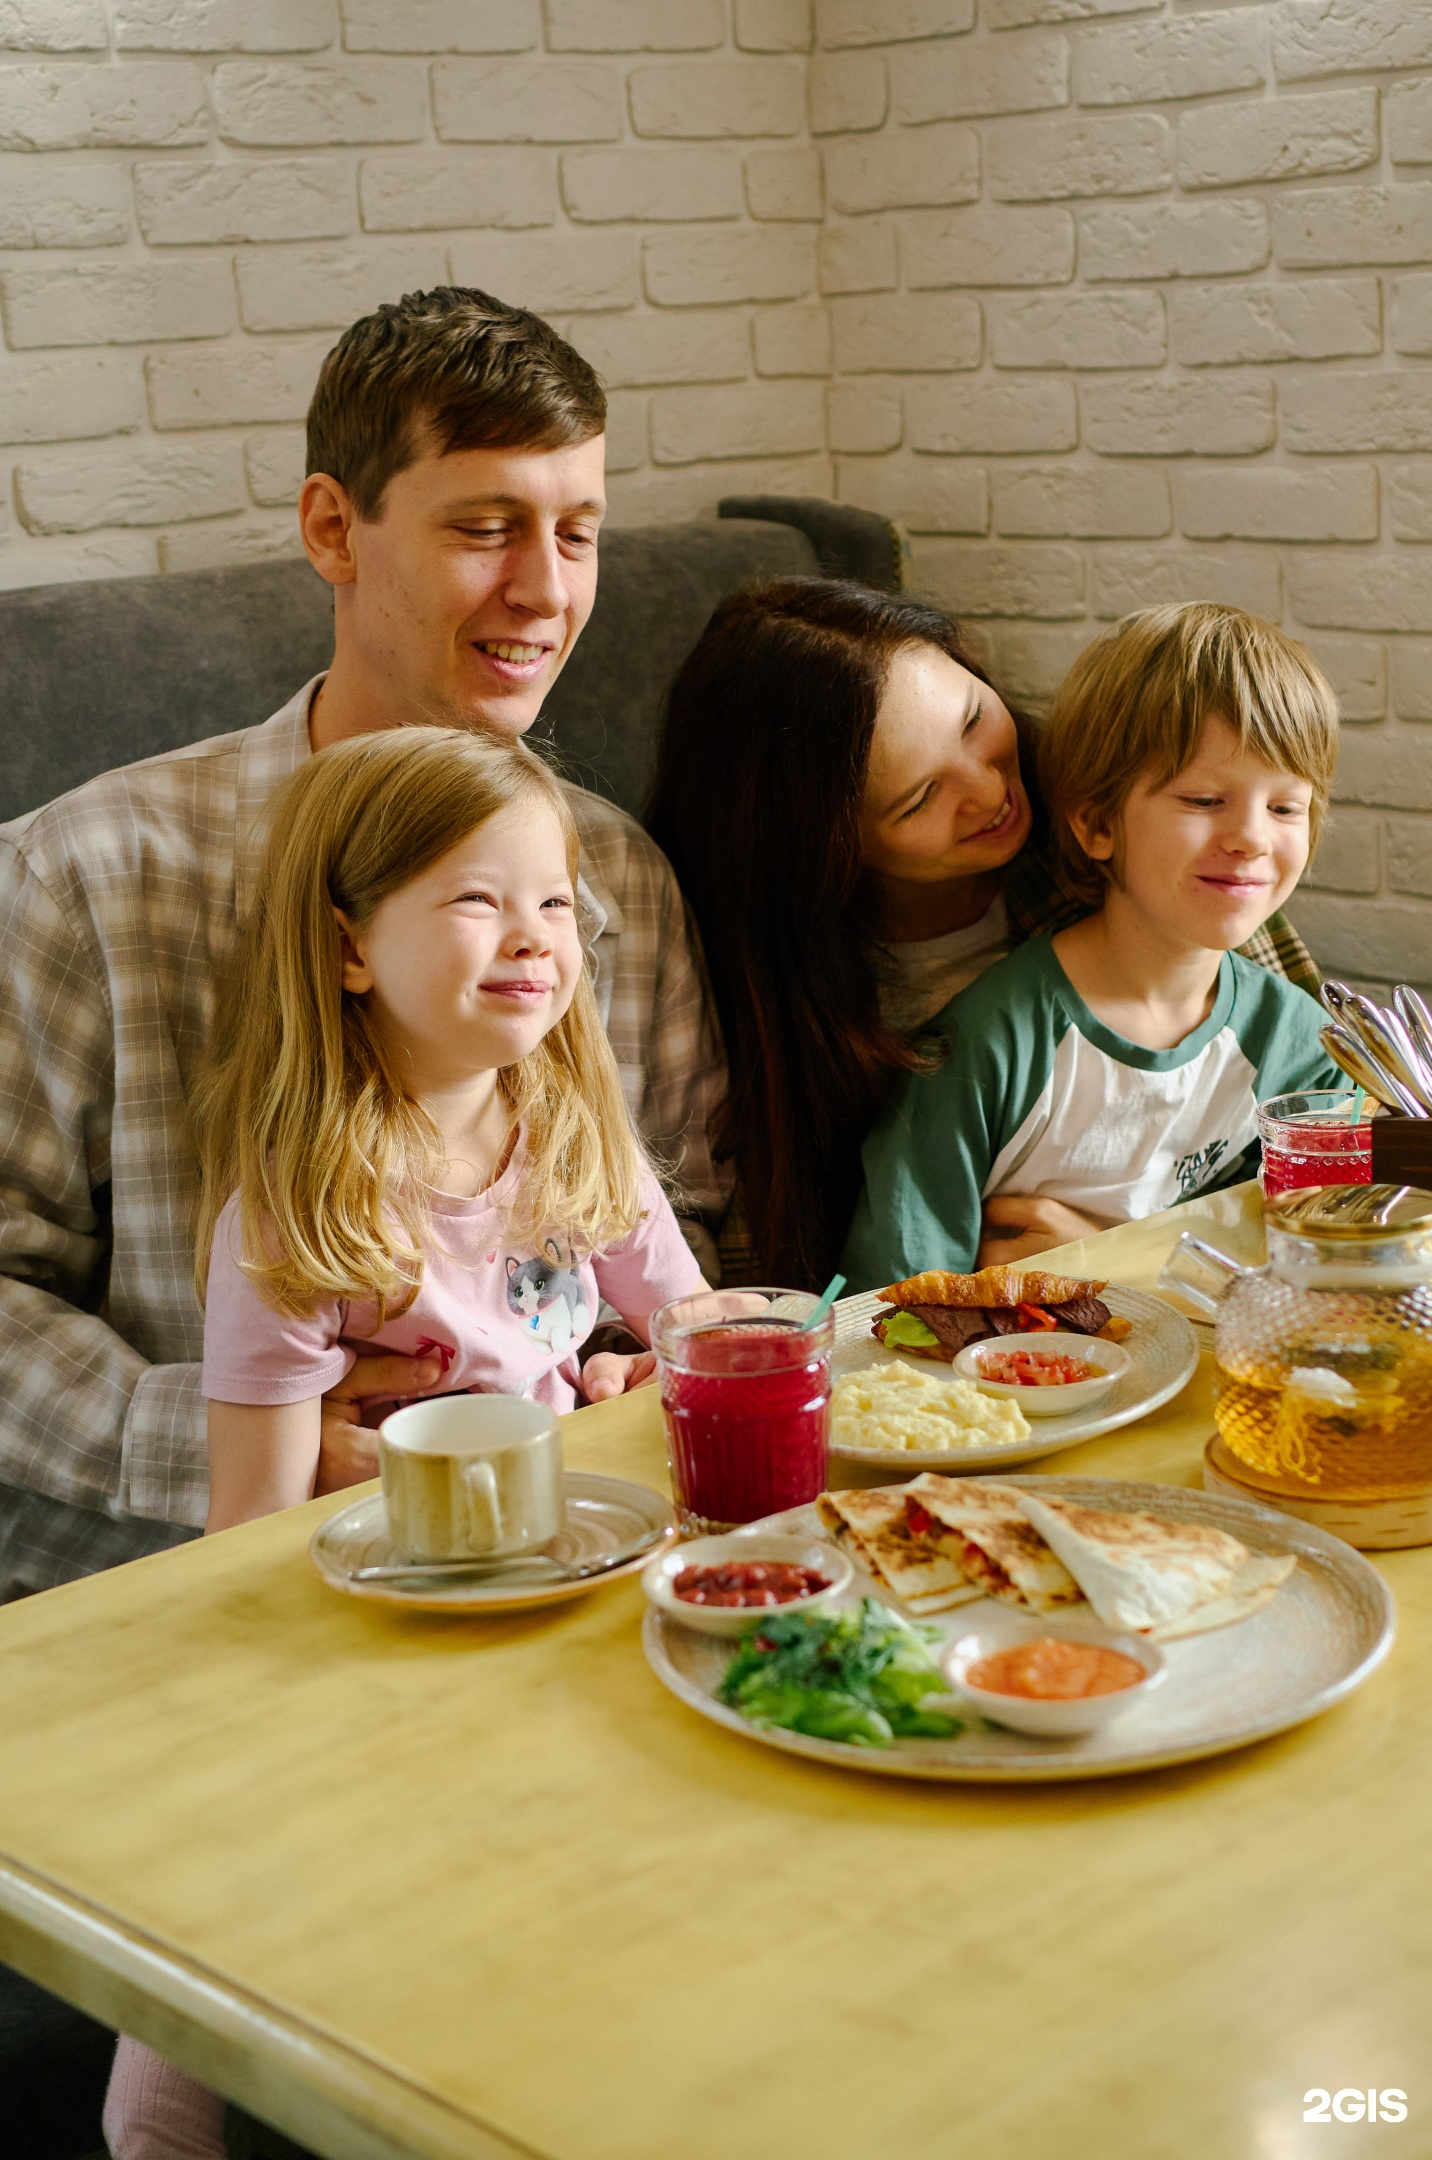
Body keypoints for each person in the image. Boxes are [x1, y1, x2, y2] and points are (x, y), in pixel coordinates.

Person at [0, 286, 725, 1603]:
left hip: (546, 1550)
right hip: (169, 1582)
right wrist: (243, 1431)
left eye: (577, 533)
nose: (546, 591)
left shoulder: (615, 875)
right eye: (486, 529)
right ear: (333, 528)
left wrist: (622, 1367)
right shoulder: (85, 874)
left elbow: (684, 1229)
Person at [104, 725, 704, 2160]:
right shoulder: (300, 1208)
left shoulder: (575, 1133)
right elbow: (248, 1534)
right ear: (350, 948)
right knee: (234, 1830)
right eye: (477, 899)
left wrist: (639, 1378)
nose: (535, 936)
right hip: (389, 1602)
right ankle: (158, 2116)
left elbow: (690, 1331)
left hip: (566, 1572)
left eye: (553, 901)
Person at [648, 579, 1321, 1292]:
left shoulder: (1165, 855)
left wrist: (1115, 1256)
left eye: (973, 721)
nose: (990, 789)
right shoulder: (796, 1008)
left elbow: (1314, 1161)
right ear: (830, 852)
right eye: (920, 798)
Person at [842, 604, 1346, 1288]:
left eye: (1285, 807)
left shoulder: (1306, 1049)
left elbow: (1329, 1269)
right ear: (1097, 825)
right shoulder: (986, 1049)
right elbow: (895, 1304)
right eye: (1203, 800)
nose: (1252, 838)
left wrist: (1113, 1261)